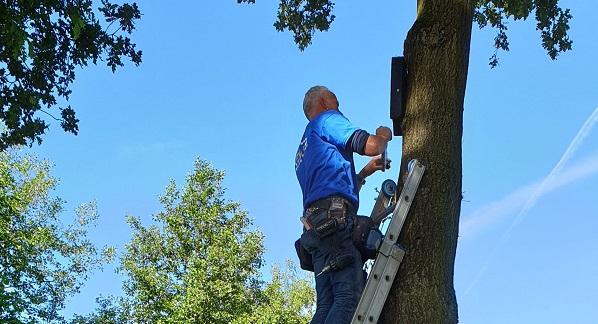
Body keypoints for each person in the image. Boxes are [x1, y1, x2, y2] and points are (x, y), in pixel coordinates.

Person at [295, 85, 393, 324]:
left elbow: (329, 189)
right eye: (336, 102)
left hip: (316, 228)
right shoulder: (327, 120)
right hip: (334, 225)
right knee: (348, 298)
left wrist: (365, 173)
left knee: (327, 304)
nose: (339, 108)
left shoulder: (304, 148)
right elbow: (369, 145)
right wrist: (383, 136)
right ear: (323, 103)